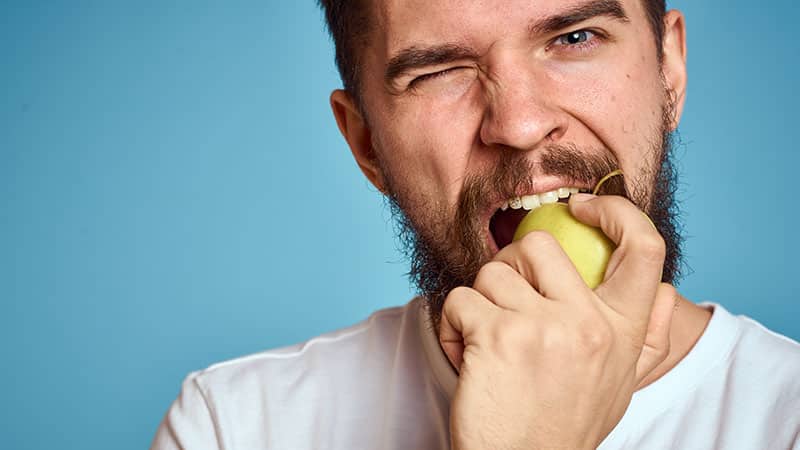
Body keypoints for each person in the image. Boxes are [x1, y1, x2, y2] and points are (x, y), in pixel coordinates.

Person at [151, 0, 800, 448]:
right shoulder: (234, 428)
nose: (517, 125)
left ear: (670, 72)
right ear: (366, 143)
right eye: (440, 72)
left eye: (574, 39)